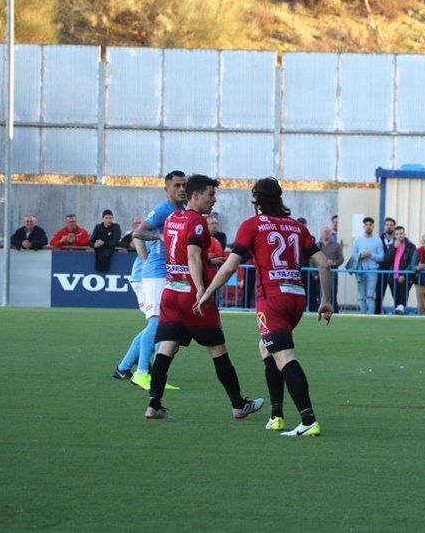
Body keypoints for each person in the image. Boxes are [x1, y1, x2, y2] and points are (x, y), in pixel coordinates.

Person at [197, 177, 334, 437]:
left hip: (272, 299)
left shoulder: (252, 225)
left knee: (284, 356)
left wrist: (208, 292)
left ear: (256, 201)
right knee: (267, 347)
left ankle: (308, 420)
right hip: (297, 298)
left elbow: (229, 266)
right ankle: (276, 415)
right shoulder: (297, 227)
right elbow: (324, 264)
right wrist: (326, 301)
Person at [143, 174, 263, 420]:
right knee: (218, 349)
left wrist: (209, 260)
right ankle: (238, 404)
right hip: (191, 295)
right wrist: (201, 289)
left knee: (167, 347)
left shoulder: (173, 218)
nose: (214, 200)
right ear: (195, 195)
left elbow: (181, 254)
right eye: (211, 194)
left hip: (171, 292)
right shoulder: (197, 222)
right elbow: (192, 256)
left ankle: (153, 404)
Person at [127, 170, 187, 390]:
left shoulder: (181, 211)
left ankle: (152, 375)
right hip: (156, 273)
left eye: (184, 185)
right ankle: (141, 372)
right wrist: (159, 236)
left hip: (168, 273)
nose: (181, 189)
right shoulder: (163, 210)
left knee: (168, 324)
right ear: (167, 189)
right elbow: (139, 233)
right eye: (177, 186)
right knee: (156, 322)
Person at [113, 236, 152, 380]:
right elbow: (137, 235)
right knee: (158, 324)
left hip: (147, 278)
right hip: (145, 279)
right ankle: (137, 363)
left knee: (159, 325)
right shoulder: (160, 223)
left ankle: (131, 363)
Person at [349, 217, 384, 314]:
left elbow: (381, 257)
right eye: (366, 225)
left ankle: (370, 316)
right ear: (363, 227)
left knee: (370, 295)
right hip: (360, 271)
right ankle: (363, 315)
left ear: (373, 227)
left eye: (370, 225)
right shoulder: (357, 240)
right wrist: (360, 255)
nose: (368, 227)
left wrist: (371, 255)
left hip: (373, 270)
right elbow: (353, 256)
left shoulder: (378, 240)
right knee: (361, 296)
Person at [310, 225, 344, 312]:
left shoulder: (336, 245)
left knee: (332, 295)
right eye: (324, 231)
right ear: (321, 233)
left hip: (333, 275)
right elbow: (311, 261)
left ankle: (333, 313)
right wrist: (314, 275)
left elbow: (341, 259)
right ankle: (320, 312)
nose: (326, 233)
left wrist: (333, 263)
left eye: (328, 231)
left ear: (331, 234)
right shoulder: (317, 245)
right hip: (319, 275)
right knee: (319, 295)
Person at [384, 226, 416, 314]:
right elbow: (386, 260)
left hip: (405, 276)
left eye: (401, 233)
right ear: (394, 235)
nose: (399, 236)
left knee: (402, 299)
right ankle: (399, 315)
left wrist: (404, 275)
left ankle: (402, 311)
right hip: (392, 277)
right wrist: (394, 248)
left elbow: (412, 262)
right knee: (396, 300)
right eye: (397, 234)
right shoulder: (392, 245)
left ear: (404, 234)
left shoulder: (411, 246)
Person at [375, 217, 396, 315]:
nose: (389, 227)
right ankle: (377, 315)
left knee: (396, 295)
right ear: (384, 226)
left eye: (391, 225)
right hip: (381, 272)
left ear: (394, 227)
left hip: (394, 272)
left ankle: (398, 316)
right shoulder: (378, 240)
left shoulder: (398, 240)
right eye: (387, 225)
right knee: (379, 296)